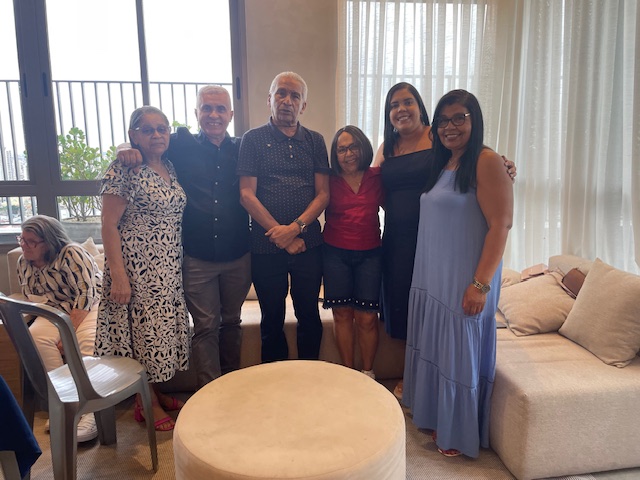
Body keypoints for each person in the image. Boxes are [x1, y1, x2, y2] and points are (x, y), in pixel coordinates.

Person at [373, 82, 515, 399]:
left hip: (442, 239)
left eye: (408, 102)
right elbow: (371, 187)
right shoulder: (387, 147)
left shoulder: (437, 138)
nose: (401, 109)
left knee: (446, 314)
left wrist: (502, 165)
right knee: (412, 308)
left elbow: (473, 163)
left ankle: (442, 388)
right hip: (399, 239)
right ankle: (418, 376)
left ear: (420, 107)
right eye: (394, 105)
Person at [402, 89, 513, 458]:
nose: (450, 127)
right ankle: (436, 415)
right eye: (443, 120)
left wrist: (480, 285)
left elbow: (501, 225)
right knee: (438, 345)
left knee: (457, 349)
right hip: (434, 275)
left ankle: (456, 432)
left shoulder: (486, 160)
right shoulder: (446, 162)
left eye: (459, 118)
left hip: (465, 276)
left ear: (473, 120)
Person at [117, 86, 251, 388]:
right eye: (207, 108)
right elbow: (147, 142)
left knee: (232, 322)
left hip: (238, 256)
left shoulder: (243, 147)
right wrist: (125, 146)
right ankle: (210, 393)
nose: (213, 115)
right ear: (196, 113)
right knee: (205, 327)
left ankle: (233, 388)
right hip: (197, 259)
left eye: (220, 109)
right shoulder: (179, 144)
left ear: (231, 115)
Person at [95, 106, 189, 432]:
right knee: (142, 335)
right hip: (137, 271)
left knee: (156, 335)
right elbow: (108, 225)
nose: (157, 135)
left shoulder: (169, 166)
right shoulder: (124, 168)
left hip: (167, 270)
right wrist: (119, 277)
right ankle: (145, 401)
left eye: (162, 128)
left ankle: (155, 393)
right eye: (148, 130)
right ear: (133, 135)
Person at [238, 71, 330, 363]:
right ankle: (275, 379)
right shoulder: (252, 139)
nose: (287, 100)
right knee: (271, 318)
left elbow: (323, 194)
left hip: (308, 244)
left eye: (295, 96)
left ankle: (309, 374)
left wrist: (294, 229)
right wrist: (281, 234)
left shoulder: (315, 141)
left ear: (303, 106)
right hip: (265, 245)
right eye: (281, 93)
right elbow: (246, 194)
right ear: (270, 99)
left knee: (309, 314)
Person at [17, 215, 102, 442]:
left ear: (49, 242)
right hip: (54, 308)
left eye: (31, 241)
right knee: (37, 337)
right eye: (22, 239)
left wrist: (68, 334)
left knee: (85, 342)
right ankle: (67, 404)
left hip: (90, 304)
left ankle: (91, 412)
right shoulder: (24, 262)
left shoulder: (71, 254)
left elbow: (86, 294)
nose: (24, 245)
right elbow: (31, 298)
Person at [322, 126, 383, 378]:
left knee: (367, 318)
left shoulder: (377, 177)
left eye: (353, 147)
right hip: (335, 254)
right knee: (342, 314)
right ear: (335, 155)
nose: (348, 154)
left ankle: (367, 373)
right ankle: (349, 375)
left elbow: (399, 204)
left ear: (363, 148)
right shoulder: (328, 179)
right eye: (342, 149)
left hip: (371, 254)